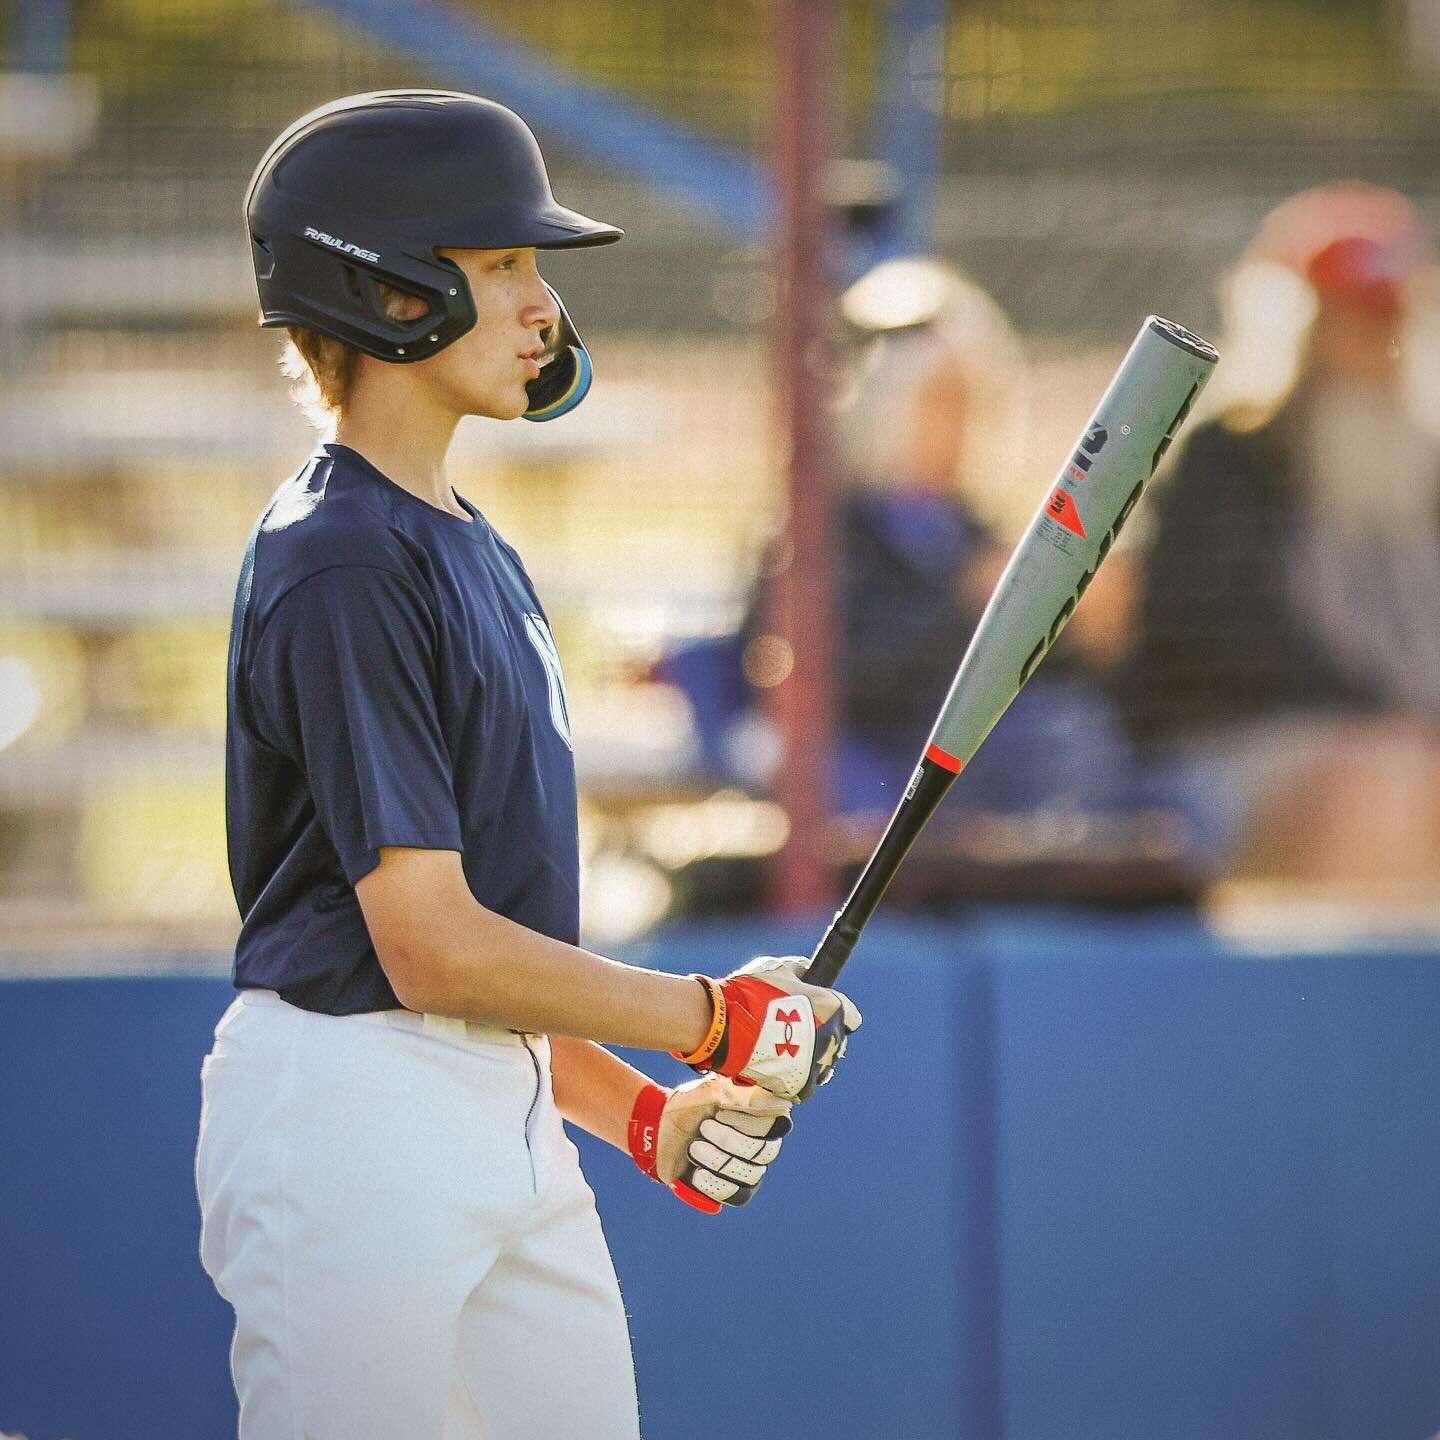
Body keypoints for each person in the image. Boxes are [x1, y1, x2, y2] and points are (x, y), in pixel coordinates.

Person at [195, 90, 861, 1440]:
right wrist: (710, 1020)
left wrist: (645, 1119)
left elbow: (496, 964)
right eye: (500, 265)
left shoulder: (473, 547)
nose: (541, 303)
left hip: (503, 1118)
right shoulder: (340, 559)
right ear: (385, 289)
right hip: (348, 1117)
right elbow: (431, 951)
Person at [1121, 182, 1440, 894]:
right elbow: (1214, 649)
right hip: (1235, 747)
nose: (1370, 349)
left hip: (1401, 744)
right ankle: (1359, 1009)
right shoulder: (1232, 460)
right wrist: (1384, 712)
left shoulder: (1427, 471)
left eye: (1385, 323)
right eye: (1347, 321)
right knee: (1386, 779)